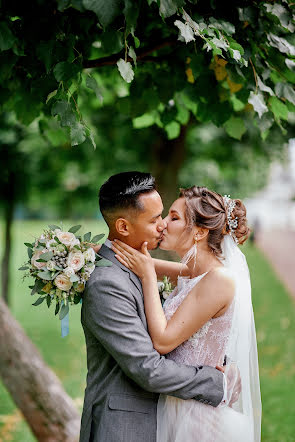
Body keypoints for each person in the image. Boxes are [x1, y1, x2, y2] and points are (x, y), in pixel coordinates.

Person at [80, 172, 227, 442]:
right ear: (123, 227)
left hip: (162, 419)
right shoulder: (106, 283)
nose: (162, 226)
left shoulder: (138, 263)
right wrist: (215, 381)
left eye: (164, 216)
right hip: (124, 428)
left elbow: (194, 277)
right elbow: (148, 368)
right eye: (154, 219)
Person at [112, 186, 262, 442]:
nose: (162, 225)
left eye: (173, 217)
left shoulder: (220, 280)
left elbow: (162, 341)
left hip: (196, 417)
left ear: (200, 232)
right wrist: (87, 252)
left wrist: (148, 277)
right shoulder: (193, 271)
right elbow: (146, 262)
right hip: (175, 404)